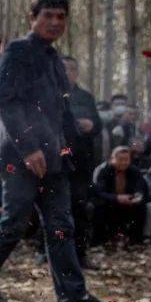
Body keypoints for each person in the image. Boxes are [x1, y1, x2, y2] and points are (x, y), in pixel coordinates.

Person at [0, 0, 117, 302]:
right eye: (47, 16)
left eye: (60, 17)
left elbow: (61, 113)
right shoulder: (17, 52)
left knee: (61, 225)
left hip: (53, 159)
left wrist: (73, 149)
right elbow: (8, 102)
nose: (54, 22)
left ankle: (73, 296)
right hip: (21, 157)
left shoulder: (54, 60)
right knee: (14, 222)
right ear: (32, 18)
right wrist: (28, 148)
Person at [63, 56, 102, 267]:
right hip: (58, 159)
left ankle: (81, 253)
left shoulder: (86, 97)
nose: (67, 72)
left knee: (80, 206)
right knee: (55, 207)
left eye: (71, 69)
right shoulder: (49, 94)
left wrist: (91, 125)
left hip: (81, 161)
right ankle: (45, 251)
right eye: (63, 69)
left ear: (76, 73)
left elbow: (98, 125)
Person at [92, 146, 149, 245]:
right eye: (120, 159)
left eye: (126, 160)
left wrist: (136, 197)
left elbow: (141, 188)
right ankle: (100, 240)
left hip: (128, 202)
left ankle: (135, 241)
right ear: (112, 159)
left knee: (141, 206)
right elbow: (99, 192)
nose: (124, 162)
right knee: (99, 206)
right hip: (109, 203)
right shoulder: (103, 170)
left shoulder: (134, 170)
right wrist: (117, 198)